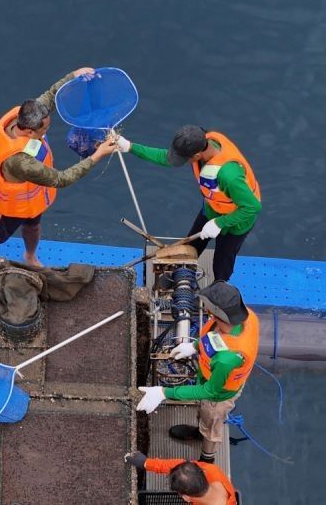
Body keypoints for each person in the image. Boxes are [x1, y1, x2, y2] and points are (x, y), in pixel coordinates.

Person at [0, 68, 119, 268]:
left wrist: (73, 76)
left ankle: (30, 256)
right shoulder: (20, 162)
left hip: (33, 197)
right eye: (44, 130)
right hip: (11, 205)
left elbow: (50, 96)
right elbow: (61, 179)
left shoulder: (25, 115)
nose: (47, 132)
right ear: (29, 131)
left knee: (33, 227)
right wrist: (98, 154)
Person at [115, 125, 261, 281]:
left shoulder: (229, 175)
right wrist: (130, 147)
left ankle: (219, 289)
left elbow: (252, 207)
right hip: (212, 208)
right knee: (191, 247)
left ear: (197, 155)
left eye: (184, 159)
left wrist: (220, 223)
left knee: (222, 261)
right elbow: (165, 158)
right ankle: (182, 278)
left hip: (237, 220)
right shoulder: (201, 143)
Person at [136, 281, 260, 463]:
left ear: (217, 313)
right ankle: (198, 431)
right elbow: (213, 335)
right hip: (209, 376)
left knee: (212, 422)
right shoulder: (246, 316)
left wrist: (164, 392)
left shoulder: (229, 358)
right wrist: (194, 346)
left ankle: (206, 459)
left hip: (219, 395)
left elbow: (211, 392)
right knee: (203, 412)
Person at [124, 451, 237, 504]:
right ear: (201, 471)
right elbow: (181, 467)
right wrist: (146, 463)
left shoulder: (210, 469)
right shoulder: (212, 471)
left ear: (186, 498)